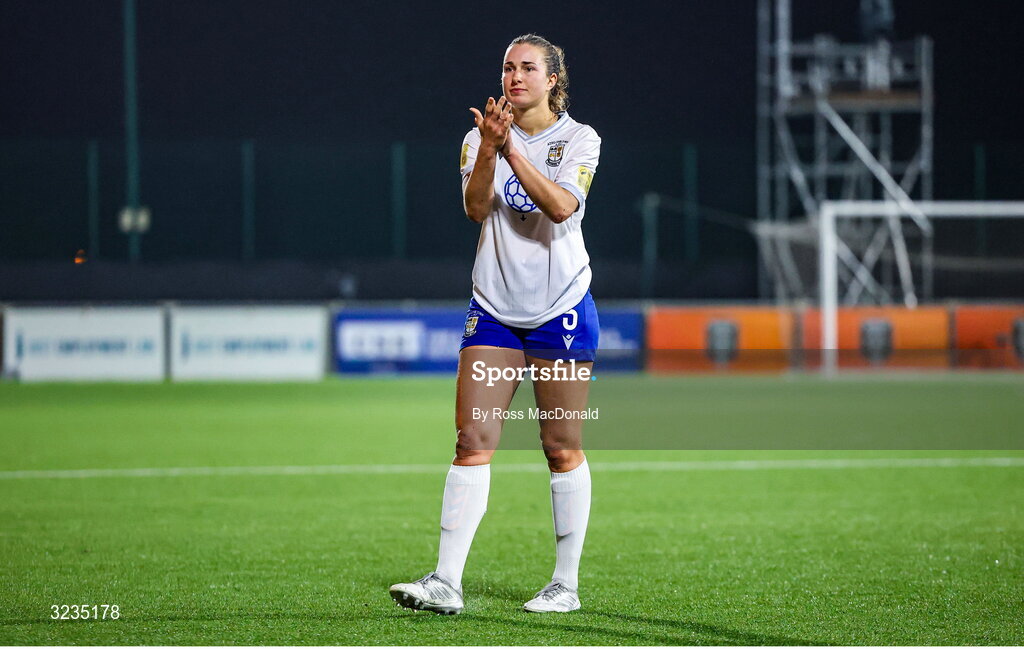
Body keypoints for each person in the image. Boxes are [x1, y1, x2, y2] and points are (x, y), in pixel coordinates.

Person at [389, 33, 601, 615]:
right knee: (472, 441)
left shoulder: (580, 139)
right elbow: (475, 208)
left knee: (560, 448)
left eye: (527, 68)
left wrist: (510, 151)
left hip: (561, 308)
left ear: (553, 78)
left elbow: (561, 207)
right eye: (508, 67)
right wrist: (488, 149)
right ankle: (446, 581)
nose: (514, 77)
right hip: (493, 312)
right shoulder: (477, 137)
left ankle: (565, 584)